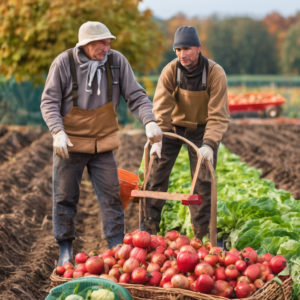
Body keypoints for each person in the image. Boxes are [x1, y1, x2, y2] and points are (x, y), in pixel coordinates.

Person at [40, 21, 162, 265]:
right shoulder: (64, 63)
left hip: (103, 145)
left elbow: (136, 96)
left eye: (109, 42)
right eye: (102, 43)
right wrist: (57, 131)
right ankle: (65, 249)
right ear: (85, 44)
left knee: (112, 197)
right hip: (70, 146)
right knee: (65, 196)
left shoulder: (117, 62)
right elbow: (49, 101)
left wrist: (149, 121)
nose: (107, 47)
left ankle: (116, 247)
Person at [141, 26, 230, 240]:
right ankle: (148, 232)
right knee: (155, 176)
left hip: (201, 131)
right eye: (178, 49)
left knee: (203, 182)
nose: (183, 54)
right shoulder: (171, 71)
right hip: (171, 128)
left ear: (198, 48)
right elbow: (161, 107)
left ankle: (201, 236)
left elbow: (218, 115)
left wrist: (209, 144)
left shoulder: (215, 73)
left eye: (187, 49)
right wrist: (158, 138)